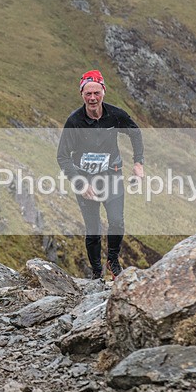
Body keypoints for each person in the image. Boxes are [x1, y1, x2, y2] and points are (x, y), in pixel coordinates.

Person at [56, 70, 144, 280]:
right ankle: (97, 273)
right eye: (88, 94)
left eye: (96, 92)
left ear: (103, 91)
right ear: (82, 94)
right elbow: (62, 157)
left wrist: (138, 163)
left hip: (111, 176)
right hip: (86, 181)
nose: (92, 98)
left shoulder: (115, 115)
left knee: (116, 222)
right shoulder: (74, 121)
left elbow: (135, 132)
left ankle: (113, 261)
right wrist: (79, 182)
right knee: (93, 229)